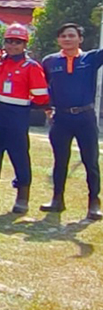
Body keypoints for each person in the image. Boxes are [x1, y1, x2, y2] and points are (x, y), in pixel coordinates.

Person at [0, 22, 49, 213]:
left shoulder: (32, 67)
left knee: (19, 156)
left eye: (17, 42)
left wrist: (25, 107)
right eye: (9, 41)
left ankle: (22, 196)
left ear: (24, 45)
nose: (13, 46)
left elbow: (41, 97)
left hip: (17, 116)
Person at [40, 23, 103, 219]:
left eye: (71, 35)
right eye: (63, 36)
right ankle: (57, 200)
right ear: (58, 40)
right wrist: (47, 108)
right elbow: (41, 87)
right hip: (61, 118)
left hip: (85, 116)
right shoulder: (49, 61)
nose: (67, 39)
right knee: (60, 160)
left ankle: (94, 202)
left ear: (80, 39)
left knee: (90, 160)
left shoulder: (91, 58)